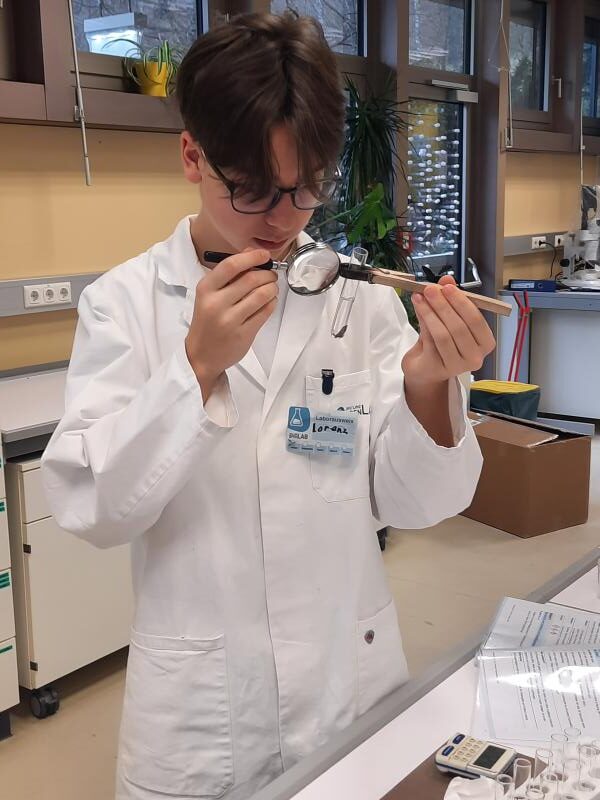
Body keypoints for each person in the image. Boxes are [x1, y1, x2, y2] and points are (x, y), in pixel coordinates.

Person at [41, 11, 494, 800]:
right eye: (251, 188)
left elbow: (418, 504)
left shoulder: (358, 299)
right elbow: (93, 510)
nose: (283, 218)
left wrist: (428, 385)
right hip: (202, 716)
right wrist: (194, 369)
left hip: (348, 679)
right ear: (193, 156)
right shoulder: (126, 304)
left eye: (306, 186)